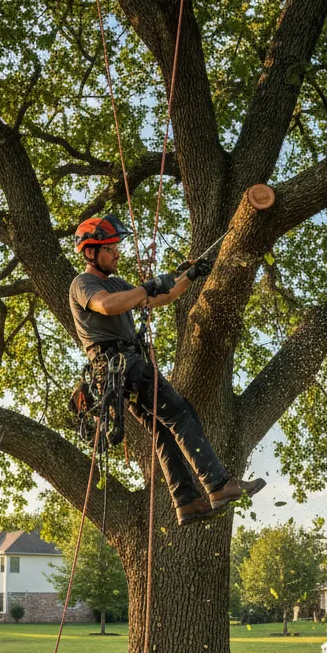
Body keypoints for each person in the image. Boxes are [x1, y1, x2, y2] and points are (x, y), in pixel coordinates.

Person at [68, 214, 265, 525]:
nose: (118, 253)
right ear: (91, 252)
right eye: (111, 248)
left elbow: (163, 297)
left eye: (117, 247)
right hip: (121, 366)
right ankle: (219, 485)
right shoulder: (84, 283)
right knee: (180, 413)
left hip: (126, 371)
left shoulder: (118, 283)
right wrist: (147, 286)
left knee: (162, 430)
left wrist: (189, 276)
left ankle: (186, 502)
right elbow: (107, 306)